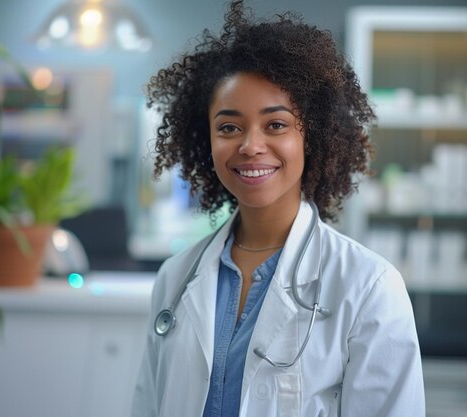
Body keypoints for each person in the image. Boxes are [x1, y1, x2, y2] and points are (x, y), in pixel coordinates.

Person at [132, 1, 425, 416]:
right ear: (206, 139)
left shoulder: (369, 287)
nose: (250, 146)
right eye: (229, 127)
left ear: (314, 136)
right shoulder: (175, 278)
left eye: (276, 124)